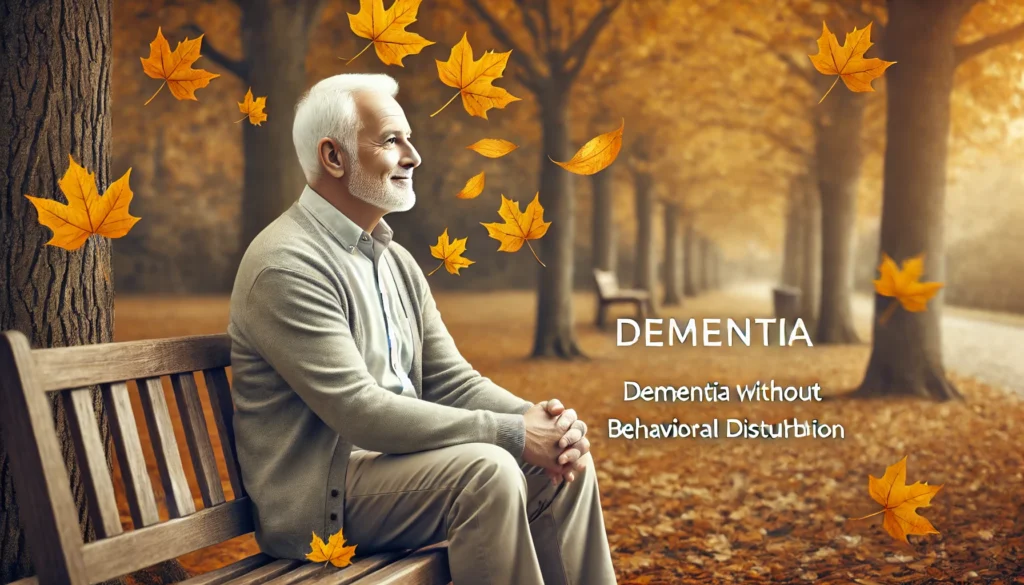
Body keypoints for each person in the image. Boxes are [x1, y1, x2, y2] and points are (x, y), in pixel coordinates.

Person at [227, 73, 617, 585]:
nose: (413, 156)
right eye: (392, 140)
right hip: (322, 497)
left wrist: (538, 421)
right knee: (489, 472)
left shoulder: (395, 262)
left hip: (397, 470)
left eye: (409, 139)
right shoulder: (287, 265)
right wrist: (513, 435)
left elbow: (452, 381)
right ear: (334, 157)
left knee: (564, 466)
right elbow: (359, 411)